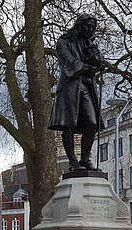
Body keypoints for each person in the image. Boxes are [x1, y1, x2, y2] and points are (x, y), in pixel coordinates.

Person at [48, 14, 104, 172]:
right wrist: (86, 67)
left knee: (92, 123)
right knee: (69, 124)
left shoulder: (90, 44)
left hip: (87, 87)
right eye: (88, 26)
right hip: (70, 88)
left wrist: (93, 52)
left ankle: (85, 159)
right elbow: (69, 62)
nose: (90, 29)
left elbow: (99, 61)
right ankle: (73, 162)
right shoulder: (63, 42)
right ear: (79, 26)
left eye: (93, 27)